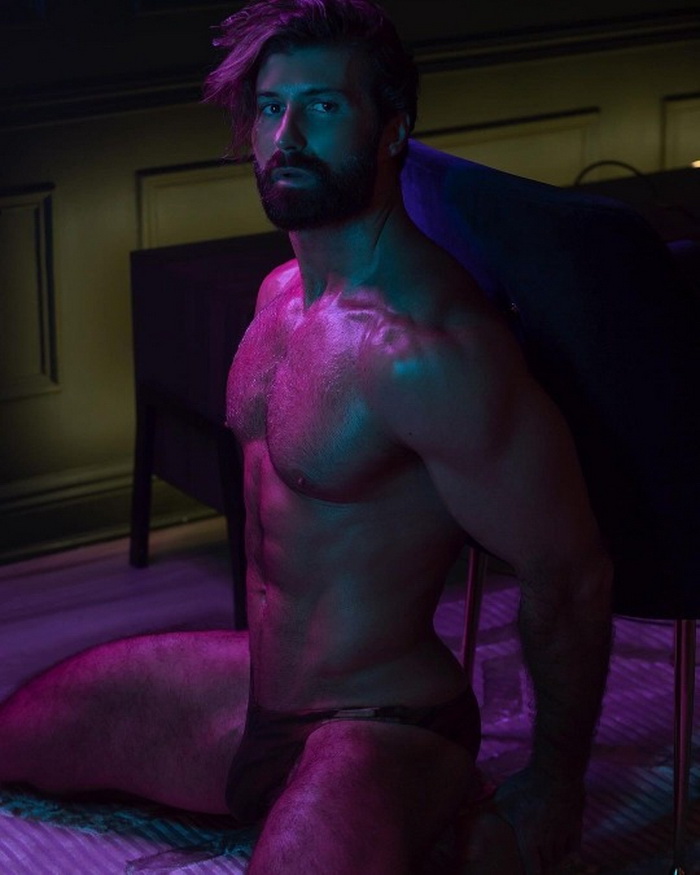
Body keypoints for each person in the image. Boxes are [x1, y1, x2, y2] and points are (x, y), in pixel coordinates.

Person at [0, 1, 612, 872]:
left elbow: (571, 572)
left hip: (381, 723)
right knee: (16, 733)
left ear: (393, 130)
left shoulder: (429, 349)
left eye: (323, 107)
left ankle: (436, 806)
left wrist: (555, 783)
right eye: (269, 108)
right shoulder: (280, 295)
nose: (286, 135)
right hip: (259, 694)